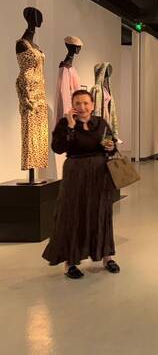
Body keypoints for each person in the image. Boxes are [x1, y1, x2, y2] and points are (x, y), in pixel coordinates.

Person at [42, 90, 119, 279]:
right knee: (73, 214)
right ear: (73, 105)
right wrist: (70, 126)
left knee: (101, 213)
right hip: (75, 174)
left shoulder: (101, 123)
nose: (82, 107)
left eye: (85, 103)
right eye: (78, 103)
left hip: (99, 174)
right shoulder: (65, 123)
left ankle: (106, 256)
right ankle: (70, 262)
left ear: (92, 105)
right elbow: (58, 148)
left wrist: (111, 147)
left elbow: (111, 145)